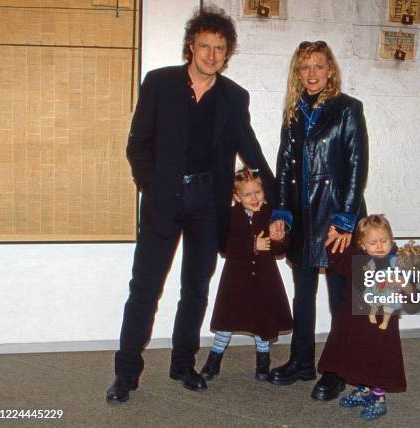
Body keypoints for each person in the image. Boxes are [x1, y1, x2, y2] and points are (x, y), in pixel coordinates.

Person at [106, 7, 275, 403]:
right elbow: (138, 144)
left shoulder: (235, 97)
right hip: (164, 200)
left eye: (220, 48)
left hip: (207, 204)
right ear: (191, 46)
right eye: (205, 46)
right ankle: (126, 374)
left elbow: (250, 151)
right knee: (144, 288)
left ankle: (183, 364)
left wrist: (279, 202)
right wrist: (153, 187)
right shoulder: (160, 83)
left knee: (195, 289)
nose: (212, 55)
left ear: (227, 53)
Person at [267, 40, 368, 401]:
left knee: (340, 300)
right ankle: (301, 362)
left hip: (335, 218)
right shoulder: (293, 113)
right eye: (304, 67)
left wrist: (346, 220)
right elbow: (283, 168)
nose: (312, 74)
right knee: (303, 295)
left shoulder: (348, 110)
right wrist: (280, 212)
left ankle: (337, 371)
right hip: (302, 217)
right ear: (298, 73)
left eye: (319, 66)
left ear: (331, 71)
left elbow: (357, 166)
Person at [318, 215, 420, 421]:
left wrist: (403, 284)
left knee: (378, 357)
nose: (379, 246)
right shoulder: (356, 256)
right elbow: (337, 265)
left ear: (392, 239)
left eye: (384, 241)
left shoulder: (399, 261)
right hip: (356, 321)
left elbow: (413, 292)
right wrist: (333, 242)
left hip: (382, 325)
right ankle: (363, 389)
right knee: (359, 354)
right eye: (373, 242)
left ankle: (378, 397)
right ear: (362, 243)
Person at [199, 168, 293, 382]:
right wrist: (253, 245)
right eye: (247, 194)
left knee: (262, 321)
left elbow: (280, 250)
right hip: (236, 281)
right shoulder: (230, 216)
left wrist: (279, 238)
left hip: (264, 280)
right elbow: (225, 247)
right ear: (236, 197)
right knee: (226, 322)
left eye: (258, 192)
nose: (254, 198)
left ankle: (263, 360)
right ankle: (214, 361)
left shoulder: (271, 214)